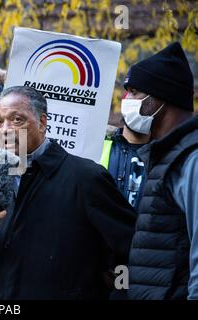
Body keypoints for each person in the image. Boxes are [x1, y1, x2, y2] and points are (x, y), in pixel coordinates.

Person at [0, 86, 137, 299]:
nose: (5, 130)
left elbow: (132, 250)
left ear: (42, 123)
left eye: (17, 120)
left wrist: (119, 293)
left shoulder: (86, 178)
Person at [125, 42, 198, 300]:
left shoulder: (192, 159)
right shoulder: (164, 154)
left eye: (134, 92)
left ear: (160, 98)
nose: (126, 101)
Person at [100, 91, 150, 209]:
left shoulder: (165, 155)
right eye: (133, 93)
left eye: (147, 100)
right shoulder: (98, 144)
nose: (140, 103)